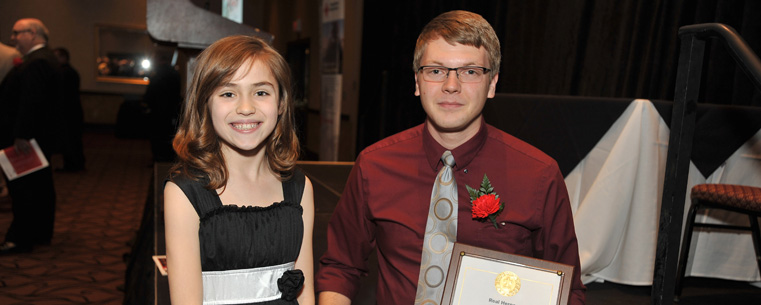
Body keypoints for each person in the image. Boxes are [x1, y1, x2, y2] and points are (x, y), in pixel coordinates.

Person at [316, 10, 586, 305]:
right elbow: (341, 267)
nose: (451, 85)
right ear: (417, 82)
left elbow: (567, 289)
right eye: (436, 70)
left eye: (470, 71)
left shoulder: (539, 175)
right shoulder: (374, 165)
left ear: (492, 83)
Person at [163, 35, 315, 305]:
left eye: (261, 92)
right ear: (205, 103)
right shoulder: (184, 192)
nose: (246, 108)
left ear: (281, 103)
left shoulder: (299, 188)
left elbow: (305, 294)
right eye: (228, 93)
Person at [0, 18, 62, 254]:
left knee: (24, 189)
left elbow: (31, 102)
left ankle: (20, 238)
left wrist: (21, 135)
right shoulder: (43, 59)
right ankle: (38, 233)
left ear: (33, 33)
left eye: (17, 33)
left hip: (27, 139)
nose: (12, 38)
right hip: (35, 137)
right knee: (39, 186)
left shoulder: (38, 62)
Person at [53, 47, 86, 172]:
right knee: (72, 139)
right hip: (71, 111)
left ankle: (73, 165)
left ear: (63, 58)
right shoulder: (68, 71)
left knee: (71, 139)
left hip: (69, 112)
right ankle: (74, 164)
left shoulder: (66, 72)